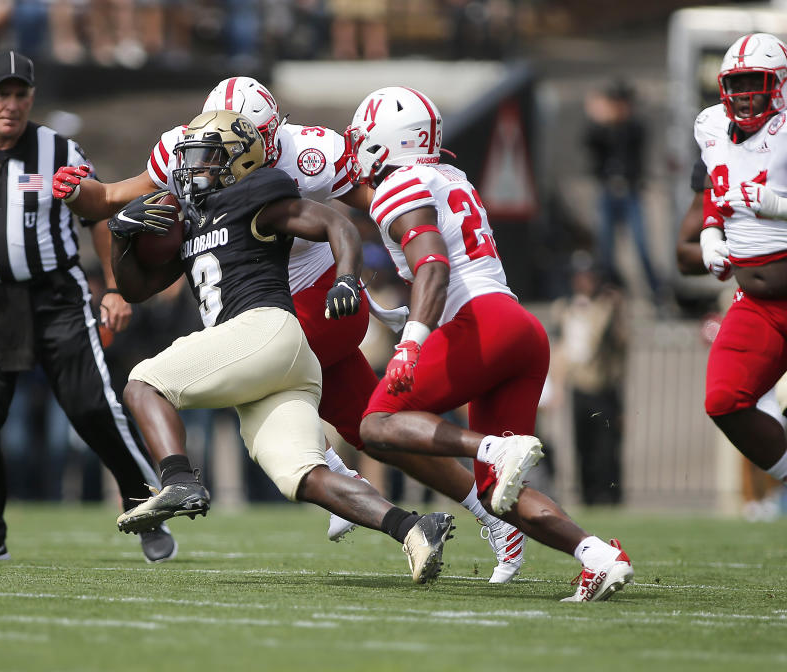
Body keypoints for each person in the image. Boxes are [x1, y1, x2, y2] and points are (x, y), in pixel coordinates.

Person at [53, 76, 530, 582]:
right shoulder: (188, 154)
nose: (210, 163)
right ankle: (473, 513)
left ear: (269, 138)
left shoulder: (309, 155)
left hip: (317, 301)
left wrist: (405, 263)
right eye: (208, 145)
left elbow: (380, 203)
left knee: (227, 366)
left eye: (234, 145)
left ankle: (318, 462)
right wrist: (77, 192)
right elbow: (105, 199)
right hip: (263, 313)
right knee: (374, 431)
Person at [346, 86, 634, 602]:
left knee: (375, 424)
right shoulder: (450, 176)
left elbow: (433, 265)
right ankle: (600, 557)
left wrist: (411, 342)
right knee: (496, 493)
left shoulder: (400, 185)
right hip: (518, 327)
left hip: (481, 325)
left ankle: (491, 447)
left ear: (387, 142)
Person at [0, 50, 176, 563]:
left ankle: (146, 507)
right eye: (1, 93)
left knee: (91, 407)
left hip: (56, 298)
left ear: (31, 98)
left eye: (20, 94)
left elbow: (99, 214)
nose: (10, 104)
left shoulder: (60, 150)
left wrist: (114, 288)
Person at [692, 32, 787, 495]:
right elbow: (717, 187)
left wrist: (779, 204)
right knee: (725, 399)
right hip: (756, 303)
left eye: (757, 81)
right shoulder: (710, 126)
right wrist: (711, 235)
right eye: (738, 82)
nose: (746, 94)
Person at [550, 251, 626, 506]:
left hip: (604, 387)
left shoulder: (607, 306)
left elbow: (620, 345)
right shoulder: (564, 309)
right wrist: (557, 385)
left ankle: (609, 498)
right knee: (582, 447)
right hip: (578, 386)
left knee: (607, 449)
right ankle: (588, 498)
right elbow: (560, 349)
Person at [583, 79, 662, 299]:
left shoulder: (634, 128)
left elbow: (634, 140)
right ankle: (609, 289)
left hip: (630, 191)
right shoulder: (601, 130)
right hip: (608, 190)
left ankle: (656, 291)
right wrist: (598, 118)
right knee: (605, 247)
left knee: (641, 244)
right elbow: (589, 143)